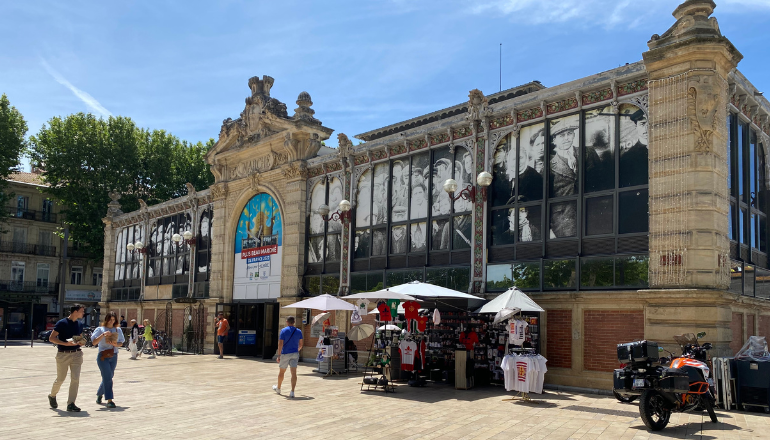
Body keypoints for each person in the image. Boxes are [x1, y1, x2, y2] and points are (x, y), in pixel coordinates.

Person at [48, 304, 86, 412]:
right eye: (82, 311)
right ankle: (52, 395)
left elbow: (80, 337)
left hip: (77, 354)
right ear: (75, 311)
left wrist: (82, 342)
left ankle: (71, 403)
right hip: (63, 354)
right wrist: (65, 343)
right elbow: (52, 338)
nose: (83, 313)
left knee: (75, 379)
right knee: (60, 379)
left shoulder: (79, 323)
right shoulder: (62, 323)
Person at [91, 312, 125, 408]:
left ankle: (99, 394)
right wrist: (103, 335)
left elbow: (121, 343)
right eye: (110, 319)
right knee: (107, 377)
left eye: (113, 320)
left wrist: (115, 344)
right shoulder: (100, 329)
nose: (111, 321)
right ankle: (109, 400)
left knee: (109, 376)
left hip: (113, 355)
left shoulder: (117, 330)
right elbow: (94, 342)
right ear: (106, 319)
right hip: (103, 356)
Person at [273, 316, 304, 398]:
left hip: (285, 353)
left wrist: (279, 355)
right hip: (295, 353)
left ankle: (278, 388)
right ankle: (292, 391)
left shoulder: (283, 331)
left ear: (287, 322)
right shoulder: (299, 331)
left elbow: (280, 344)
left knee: (282, 372)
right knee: (294, 373)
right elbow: (301, 344)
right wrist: (297, 349)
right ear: (294, 322)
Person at [619, 109, 649, 187]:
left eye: (650, 124)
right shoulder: (629, 156)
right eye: (642, 124)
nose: (646, 129)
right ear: (636, 127)